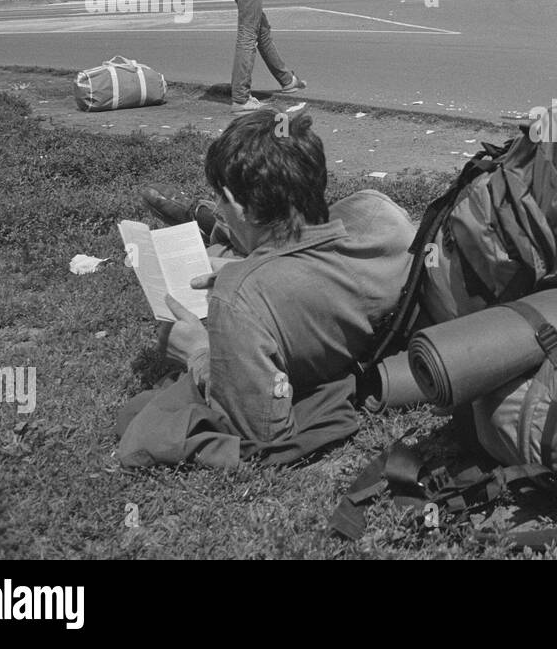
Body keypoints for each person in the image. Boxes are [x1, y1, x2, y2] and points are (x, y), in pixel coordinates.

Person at [127, 110, 415, 463]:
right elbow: (316, 253)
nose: (223, 205)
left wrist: (197, 353)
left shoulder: (242, 301)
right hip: (294, 251)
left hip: (262, 270)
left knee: (243, 242)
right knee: (272, 230)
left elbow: (263, 430)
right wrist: (249, 267)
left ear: (235, 204)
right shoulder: (380, 213)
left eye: (221, 201)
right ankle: (211, 225)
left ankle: (207, 224)